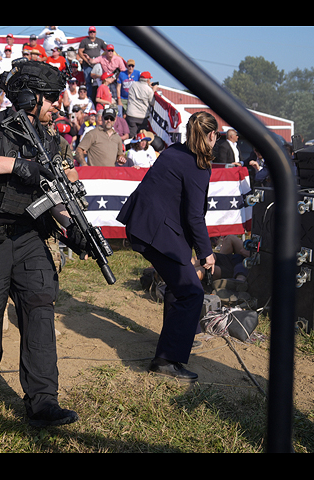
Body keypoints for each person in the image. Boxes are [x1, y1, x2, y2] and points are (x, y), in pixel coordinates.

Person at [0, 58, 80, 428]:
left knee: (40, 309)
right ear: (29, 96)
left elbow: (57, 196)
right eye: (52, 98)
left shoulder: (53, 140)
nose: (57, 105)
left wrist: (73, 227)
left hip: (29, 237)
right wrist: (15, 166)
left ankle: (43, 401)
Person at [117, 112, 219, 382]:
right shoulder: (197, 165)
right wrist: (206, 253)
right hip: (156, 231)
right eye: (216, 135)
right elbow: (194, 216)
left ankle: (177, 340)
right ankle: (165, 360)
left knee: (180, 286)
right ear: (211, 135)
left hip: (145, 225)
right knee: (191, 292)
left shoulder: (175, 151)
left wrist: (190, 251)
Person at [78, 27, 107, 102]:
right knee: (88, 81)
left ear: (96, 33)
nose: (92, 33)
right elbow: (80, 51)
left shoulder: (99, 41)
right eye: (91, 32)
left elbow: (107, 49)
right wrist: (86, 60)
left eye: (93, 32)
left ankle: (99, 97)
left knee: (100, 81)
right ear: (88, 33)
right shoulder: (85, 41)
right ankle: (89, 98)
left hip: (97, 64)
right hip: (87, 65)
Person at [126, 71, 156, 138]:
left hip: (131, 114)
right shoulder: (149, 90)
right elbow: (152, 102)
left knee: (131, 136)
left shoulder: (133, 85)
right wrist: (153, 90)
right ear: (148, 80)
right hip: (142, 116)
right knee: (142, 136)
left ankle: (129, 147)